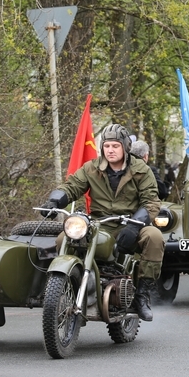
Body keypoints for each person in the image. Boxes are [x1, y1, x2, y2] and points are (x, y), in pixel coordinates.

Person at [40, 123, 163, 321]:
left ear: (125, 147)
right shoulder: (92, 168)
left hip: (130, 223)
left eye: (115, 146)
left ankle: (142, 295)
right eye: (107, 146)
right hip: (99, 223)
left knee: (155, 237)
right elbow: (72, 186)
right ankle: (70, 286)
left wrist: (134, 225)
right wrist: (55, 200)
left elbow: (151, 201)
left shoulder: (141, 169)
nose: (110, 150)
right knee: (63, 238)